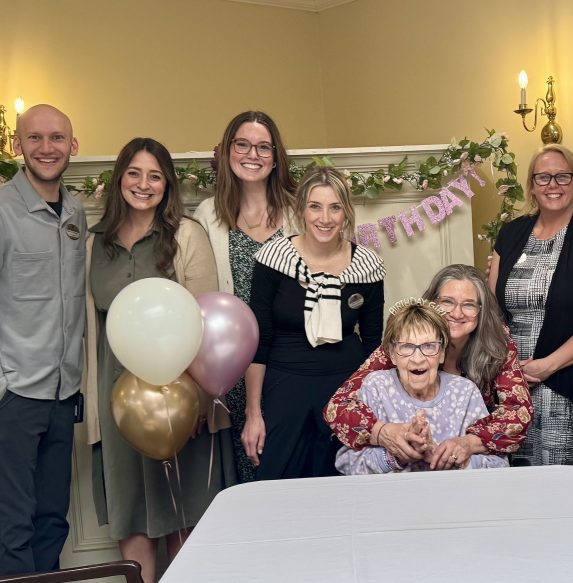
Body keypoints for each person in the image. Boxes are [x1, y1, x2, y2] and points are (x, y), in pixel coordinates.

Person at [83, 137, 235, 583]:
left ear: (167, 184)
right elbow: (90, 326)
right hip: (118, 396)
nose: (143, 184)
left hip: (180, 395)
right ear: (119, 180)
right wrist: (95, 414)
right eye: (134, 173)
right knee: (130, 516)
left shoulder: (187, 234)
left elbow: (206, 321)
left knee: (185, 515)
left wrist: (201, 404)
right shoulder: (96, 242)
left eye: (154, 176)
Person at [246, 166, 385, 480]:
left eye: (335, 207)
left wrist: (374, 409)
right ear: (301, 211)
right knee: (277, 481)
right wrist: (253, 413)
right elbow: (259, 341)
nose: (325, 218)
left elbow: (374, 344)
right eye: (315, 206)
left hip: (345, 386)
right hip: (284, 383)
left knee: (340, 483)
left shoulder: (367, 264)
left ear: (346, 212)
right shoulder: (272, 258)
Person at [488, 144, 573, 475]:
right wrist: (509, 371)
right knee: (516, 494)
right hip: (512, 385)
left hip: (566, 384)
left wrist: (546, 367)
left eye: (562, 176)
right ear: (531, 186)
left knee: (570, 496)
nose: (553, 184)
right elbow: (491, 312)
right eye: (543, 177)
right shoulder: (511, 234)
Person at [324, 264, 533, 468]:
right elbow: (338, 407)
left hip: (462, 469)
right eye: (447, 302)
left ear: (481, 310)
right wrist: (384, 432)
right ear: (431, 303)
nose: (457, 313)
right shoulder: (404, 343)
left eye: (468, 304)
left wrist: (467, 444)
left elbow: (519, 414)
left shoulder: (496, 341)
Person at [0, 105, 85, 575]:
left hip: (63, 394)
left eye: (57, 139)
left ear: (73, 146)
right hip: (15, 396)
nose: (46, 148)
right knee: (10, 525)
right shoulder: (2, 210)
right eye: (35, 138)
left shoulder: (74, 211)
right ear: (18, 146)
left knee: (53, 519)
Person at [193, 111, 298, 483]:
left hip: (289, 361)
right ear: (227, 150)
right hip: (232, 369)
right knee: (247, 474)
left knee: (291, 470)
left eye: (263, 147)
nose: (252, 154)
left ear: (275, 156)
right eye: (242, 144)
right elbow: (200, 294)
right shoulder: (207, 214)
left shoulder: (298, 211)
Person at [335, 298, 509, 473]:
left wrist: (454, 460)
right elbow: (346, 464)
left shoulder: (465, 391)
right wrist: (395, 456)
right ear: (392, 354)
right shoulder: (376, 386)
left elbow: (500, 465)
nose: (417, 358)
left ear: (442, 353)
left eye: (429, 346)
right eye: (406, 347)